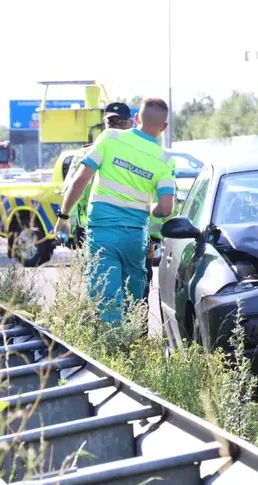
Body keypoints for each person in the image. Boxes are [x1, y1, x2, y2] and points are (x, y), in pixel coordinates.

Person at [54, 97, 176, 324]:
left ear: (137, 118)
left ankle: (108, 354)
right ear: (164, 127)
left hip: (103, 234)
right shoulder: (165, 160)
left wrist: (63, 217)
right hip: (136, 237)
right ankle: (128, 352)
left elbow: (80, 181)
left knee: (106, 302)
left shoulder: (110, 138)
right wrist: (149, 209)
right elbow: (167, 208)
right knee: (133, 303)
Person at [64, 102, 134, 245]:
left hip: (132, 231)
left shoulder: (140, 154)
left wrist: (154, 235)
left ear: (131, 123)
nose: (116, 127)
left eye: (121, 122)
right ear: (104, 123)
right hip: (94, 231)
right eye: (111, 123)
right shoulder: (85, 155)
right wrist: (76, 228)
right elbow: (74, 190)